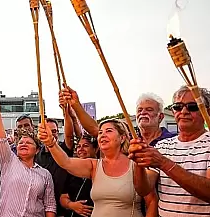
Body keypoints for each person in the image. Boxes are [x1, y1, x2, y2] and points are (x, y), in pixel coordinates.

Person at [61, 87, 169, 216]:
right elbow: (95, 129)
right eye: (140, 110)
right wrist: (76, 105)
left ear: (161, 116)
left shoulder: (170, 142)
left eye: (149, 110)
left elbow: (150, 196)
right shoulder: (132, 141)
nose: (143, 113)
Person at [129, 86, 210, 217]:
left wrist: (163, 163)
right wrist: (138, 162)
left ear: (207, 112)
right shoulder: (162, 146)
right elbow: (144, 189)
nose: (184, 111)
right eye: (178, 106)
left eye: (192, 106)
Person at [38, 118, 143, 217]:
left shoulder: (138, 164)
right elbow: (66, 162)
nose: (103, 135)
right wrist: (51, 143)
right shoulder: (95, 165)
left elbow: (151, 201)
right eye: (100, 132)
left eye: (109, 131)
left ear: (122, 137)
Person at [0, 99, 56, 217]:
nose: (23, 144)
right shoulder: (8, 161)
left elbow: (49, 205)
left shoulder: (45, 174)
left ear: (37, 149)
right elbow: (0, 139)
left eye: (28, 143)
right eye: (20, 143)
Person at [35, 95, 77, 217]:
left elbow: (69, 135)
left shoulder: (64, 148)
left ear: (58, 132)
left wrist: (66, 113)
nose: (51, 134)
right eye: (48, 131)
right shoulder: (37, 156)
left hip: (63, 205)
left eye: (54, 131)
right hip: (42, 208)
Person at [60, 133, 98, 217]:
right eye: (78, 146)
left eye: (85, 146)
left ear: (95, 149)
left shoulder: (101, 169)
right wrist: (72, 205)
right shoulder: (71, 171)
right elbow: (63, 197)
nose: (81, 149)